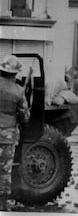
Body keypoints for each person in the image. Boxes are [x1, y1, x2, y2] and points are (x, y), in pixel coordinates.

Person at [0, 55, 30, 210]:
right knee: (4, 171)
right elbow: (24, 117)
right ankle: (3, 204)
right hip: (7, 136)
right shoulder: (18, 91)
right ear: (16, 73)